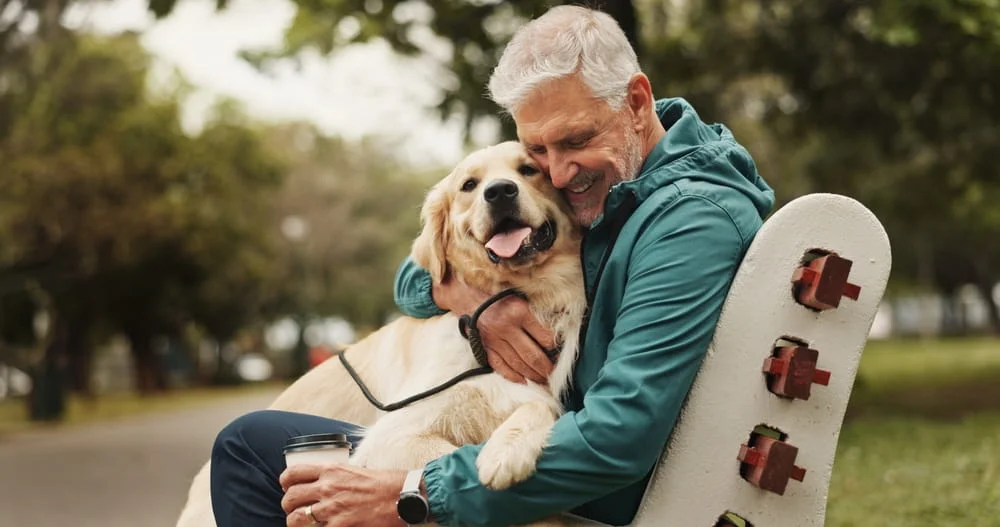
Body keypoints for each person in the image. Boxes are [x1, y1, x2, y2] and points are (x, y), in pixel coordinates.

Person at [209, 5, 775, 527]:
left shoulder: (687, 223)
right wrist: (481, 303)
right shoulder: (626, 184)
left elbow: (617, 439)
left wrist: (415, 493)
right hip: (537, 453)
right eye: (539, 151)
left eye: (574, 140)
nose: (556, 174)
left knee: (248, 450)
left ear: (636, 101)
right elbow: (417, 277)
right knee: (260, 442)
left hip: (580, 486)